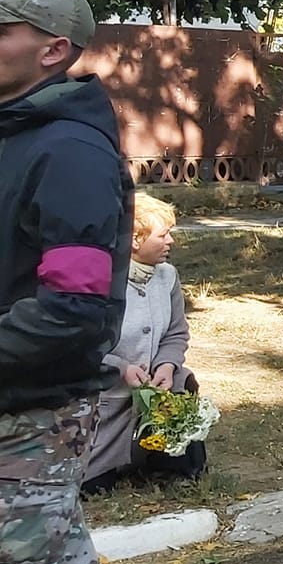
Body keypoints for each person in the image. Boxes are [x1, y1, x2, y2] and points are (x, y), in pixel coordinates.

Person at [0, 0, 178, 564]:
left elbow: (70, 310)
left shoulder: (65, 152)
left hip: (28, 418)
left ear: (53, 48)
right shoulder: (17, 136)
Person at [87, 192, 200, 489]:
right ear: (136, 239)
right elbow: (84, 344)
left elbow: (176, 333)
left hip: (156, 389)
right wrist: (120, 368)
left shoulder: (167, 277)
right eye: (163, 235)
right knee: (93, 484)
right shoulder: (100, 282)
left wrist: (167, 366)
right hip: (108, 392)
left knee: (182, 387)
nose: (171, 241)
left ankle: (167, 462)